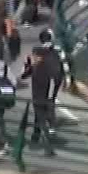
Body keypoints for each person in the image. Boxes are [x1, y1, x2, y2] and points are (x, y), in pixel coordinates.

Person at [22, 29, 64, 157]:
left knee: (40, 116)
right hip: (50, 91)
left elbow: (27, 72)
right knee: (40, 115)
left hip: (39, 90)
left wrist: (25, 71)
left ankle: (47, 146)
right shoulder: (55, 54)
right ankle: (35, 136)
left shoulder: (37, 57)